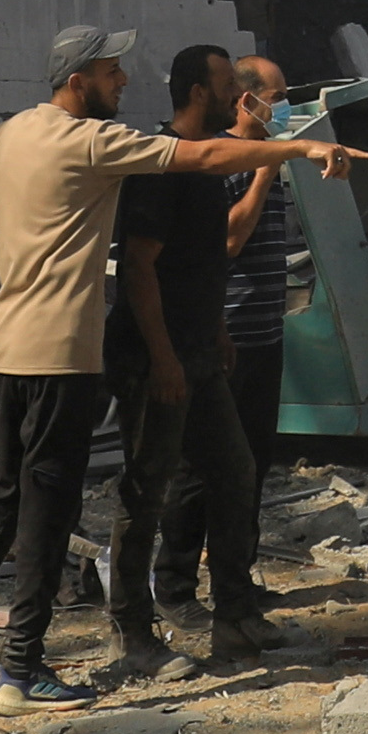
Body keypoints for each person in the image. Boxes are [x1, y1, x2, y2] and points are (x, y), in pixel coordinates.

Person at [0, 24, 348, 704]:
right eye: (113, 72)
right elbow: (182, 194)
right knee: (62, 504)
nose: (123, 82)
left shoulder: (11, 135)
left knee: (17, 496)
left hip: (29, 345)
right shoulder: (104, 145)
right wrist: (302, 144)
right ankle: (37, 663)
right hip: (76, 352)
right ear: (79, 78)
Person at [153, 53, 297, 638]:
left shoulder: (266, 158)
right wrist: (266, 168)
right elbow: (230, 240)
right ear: (246, 102)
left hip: (264, 337)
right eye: (277, 98)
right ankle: (175, 586)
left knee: (251, 468)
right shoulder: (225, 163)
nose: (285, 110)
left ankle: (235, 579)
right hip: (226, 336)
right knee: (198, 470)